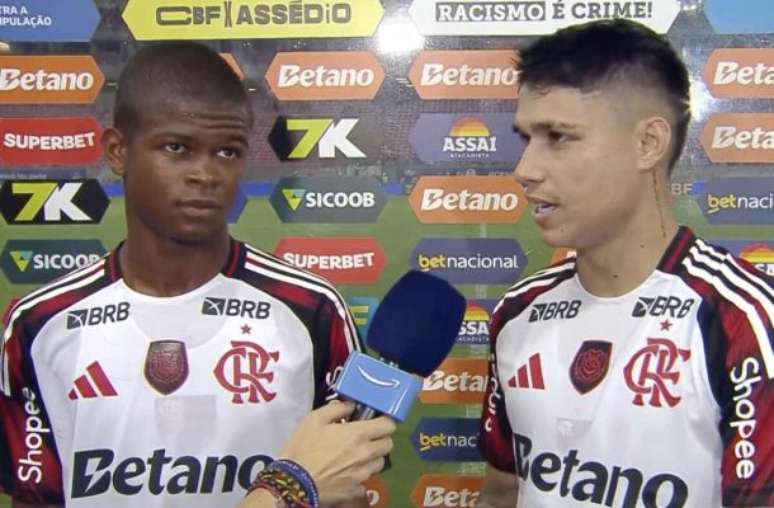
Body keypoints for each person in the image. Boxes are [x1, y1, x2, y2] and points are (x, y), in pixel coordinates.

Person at [0, 42, 394, 508]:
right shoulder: (39, 324)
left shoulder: (312, 311)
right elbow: (35, 498)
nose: (206, 174)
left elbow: (344, 488)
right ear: (118, 151)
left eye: (227, 151)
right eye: (177, 148)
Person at [477, 19, 773, 508]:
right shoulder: (518, 313)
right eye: (526, 138)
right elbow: (500, 494)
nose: (524, 169)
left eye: (558, 137)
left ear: (648, 144)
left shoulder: (744, 320)